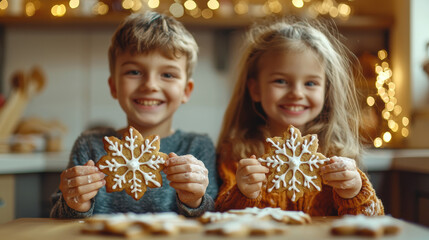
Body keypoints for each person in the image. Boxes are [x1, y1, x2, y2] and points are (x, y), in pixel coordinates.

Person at [50, 11, 218, 218]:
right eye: (134, 72)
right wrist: (76, 203)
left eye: (167, 74)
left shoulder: (197, 148)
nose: (150, 85)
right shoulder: (90, 146)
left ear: (186, 91)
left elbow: (214, 217)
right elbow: (58, 218)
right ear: (114, 86)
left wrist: (194, 200)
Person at [215, 17, 384, 216]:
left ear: (326, 90)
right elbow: (222, 220)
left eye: (310, 83)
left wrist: (354, 191)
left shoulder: (335, 154)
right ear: (255, 89)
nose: (297, 93)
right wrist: (243, 193)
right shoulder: (237, 155)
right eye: (280, 81)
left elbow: (370, 222)